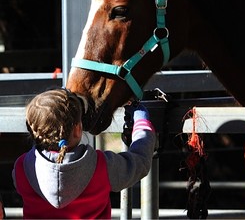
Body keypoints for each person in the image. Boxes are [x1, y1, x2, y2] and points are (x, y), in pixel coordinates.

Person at [12, 88, 156, 219]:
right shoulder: (102, 166)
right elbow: (139, 162)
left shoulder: (22, 168)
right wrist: (141, 121)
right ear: (77, 129)